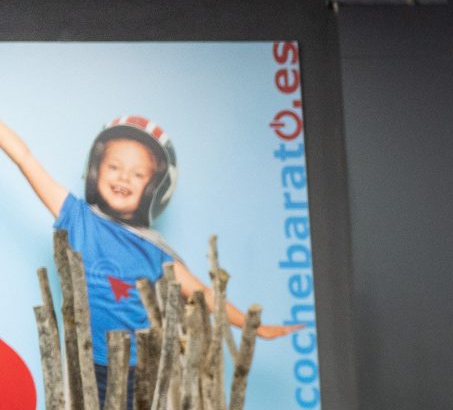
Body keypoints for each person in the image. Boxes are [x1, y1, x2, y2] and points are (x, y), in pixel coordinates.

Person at [0, 113, 301, 388]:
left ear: (154, 189)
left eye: (138, 174)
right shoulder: (76, 217)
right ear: (94, 171)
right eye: (114, 167)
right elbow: (25, 158)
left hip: (137, 370)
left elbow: (206, 295)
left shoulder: (154, 251)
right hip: (85, 363)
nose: (123, 178)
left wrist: (252, 326)